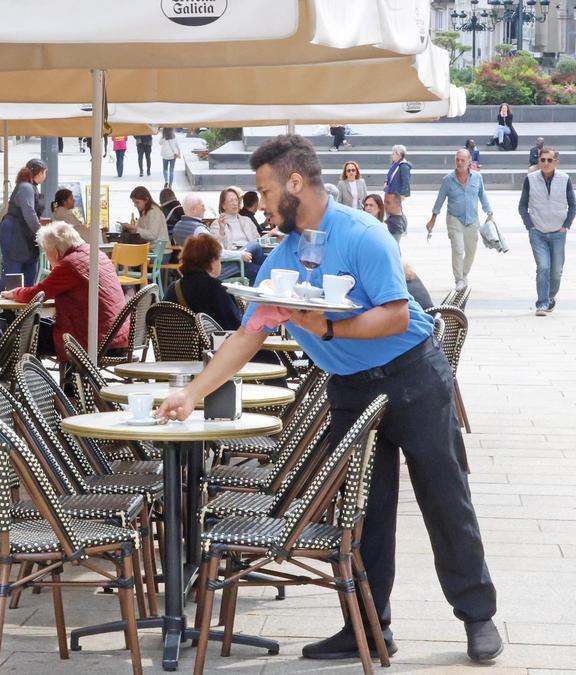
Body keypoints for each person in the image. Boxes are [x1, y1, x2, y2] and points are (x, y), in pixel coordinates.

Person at [157, 133, 502, 665]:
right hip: (349, 389)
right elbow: (247, 336)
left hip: (412, 376)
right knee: (363, 510)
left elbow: (396, 314)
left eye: (267, 191)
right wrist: (193, 393)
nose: (263, 203)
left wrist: (328, 330)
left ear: (296, 183)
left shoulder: (363, 234)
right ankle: (367, 627)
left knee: (444, 497)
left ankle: (478, 616)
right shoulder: (285, 256)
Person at [0, 222, 126, 361]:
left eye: (47, 253)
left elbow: (36, 294)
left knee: (23, 333)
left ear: (55, 251)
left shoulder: (69, 264)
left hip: (93, 340)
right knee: (39, 327)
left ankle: (28, 379)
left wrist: (14, 293)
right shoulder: (96, 254)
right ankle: (64, 380)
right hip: (118, 337)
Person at [519, 147, 576, 315]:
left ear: (556, 162)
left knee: (556, 271)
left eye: (549, 160)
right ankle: (542, 303)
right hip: (538, 232)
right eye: (542, 160)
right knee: (543, 267)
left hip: (558, 232)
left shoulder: (564, 179)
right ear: (538, 161)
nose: (545, 163)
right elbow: (522, 205)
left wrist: (566, 225)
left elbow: (573, 204)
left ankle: (550, 297)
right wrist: (530, 225)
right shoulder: (530, 179)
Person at [427, 149, 493, 291]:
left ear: (469, 161)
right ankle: (459, 279)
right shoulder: (448, 180)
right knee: (458, 249)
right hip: (454, 218)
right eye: (457, 160)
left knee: (470, 251)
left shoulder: (477, 178)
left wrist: (489, 212)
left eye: (463, 160)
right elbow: (440, 200)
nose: (459, 163)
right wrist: (433, 219)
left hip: (472, 220)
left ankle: (463, 274)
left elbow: (483, 195)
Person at [164, 234, 241, 329]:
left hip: (173, 343)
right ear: (212, 261)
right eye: (219, 259)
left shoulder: (173, 288)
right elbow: (235, 327)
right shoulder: (217, 289)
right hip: (212, 343)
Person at [0, 159, 47, 290]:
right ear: (40, 173)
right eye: (45, 172)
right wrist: (42, 233)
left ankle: (24, 302)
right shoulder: (26, 187)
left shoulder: (29, 187)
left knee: (29, 269)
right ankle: (3, 302)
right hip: (15, 232)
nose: (45, 176)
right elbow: (29, 212)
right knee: (14, 272)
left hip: (25, 233)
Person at [213, 187, 261, 280]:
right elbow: (216, 251)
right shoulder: (217, 224)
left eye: (236, 200)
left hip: (250, 257)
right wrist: (221, 231)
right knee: (260, 270)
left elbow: (258, 240)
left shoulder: (247, 220)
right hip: (234, 260)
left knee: (256, 246)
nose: (235, 203)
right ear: (223, 205)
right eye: (231, 201)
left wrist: (269, 235)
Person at [383, 145, 412, 242]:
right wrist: (386, 183)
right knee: (390, 213)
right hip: (390, 193)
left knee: (395, 214)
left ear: (399, 155)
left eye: (393, 153)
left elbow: (406, 181)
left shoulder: (403, 166)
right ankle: (393, 230)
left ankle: (399, 230)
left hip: (396, 195)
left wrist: (403, 194)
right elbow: (390, 176)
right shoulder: (395, 165)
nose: (392, 155)